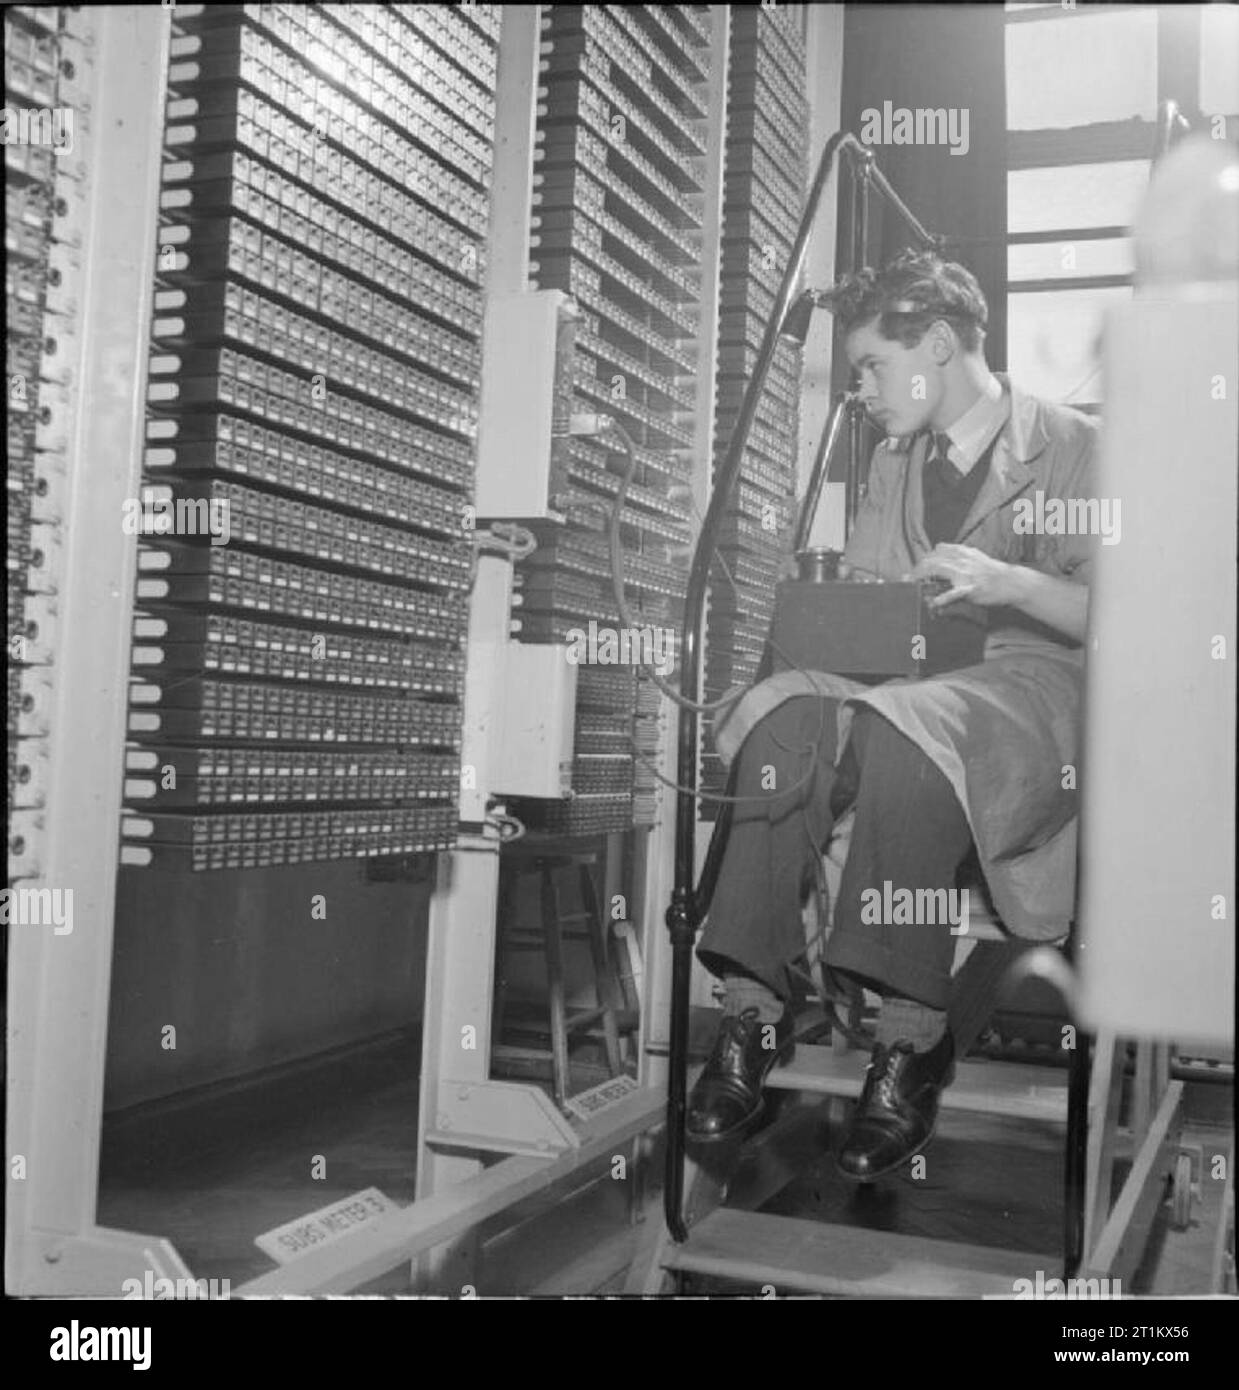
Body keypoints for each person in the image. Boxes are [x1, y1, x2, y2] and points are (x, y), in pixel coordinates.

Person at [688, 250, 1100, 1180]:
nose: (862, 389)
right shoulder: (890, 460)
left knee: (904, 733)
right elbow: (879, 614)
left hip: (1028, 698)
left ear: (940, 345)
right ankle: (752, 1019)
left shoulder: (1075, 449)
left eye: (872, 365)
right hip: (907, 687)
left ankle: (908, 1045)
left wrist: (1010, 582)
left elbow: (1125, 616)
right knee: (783, 729)